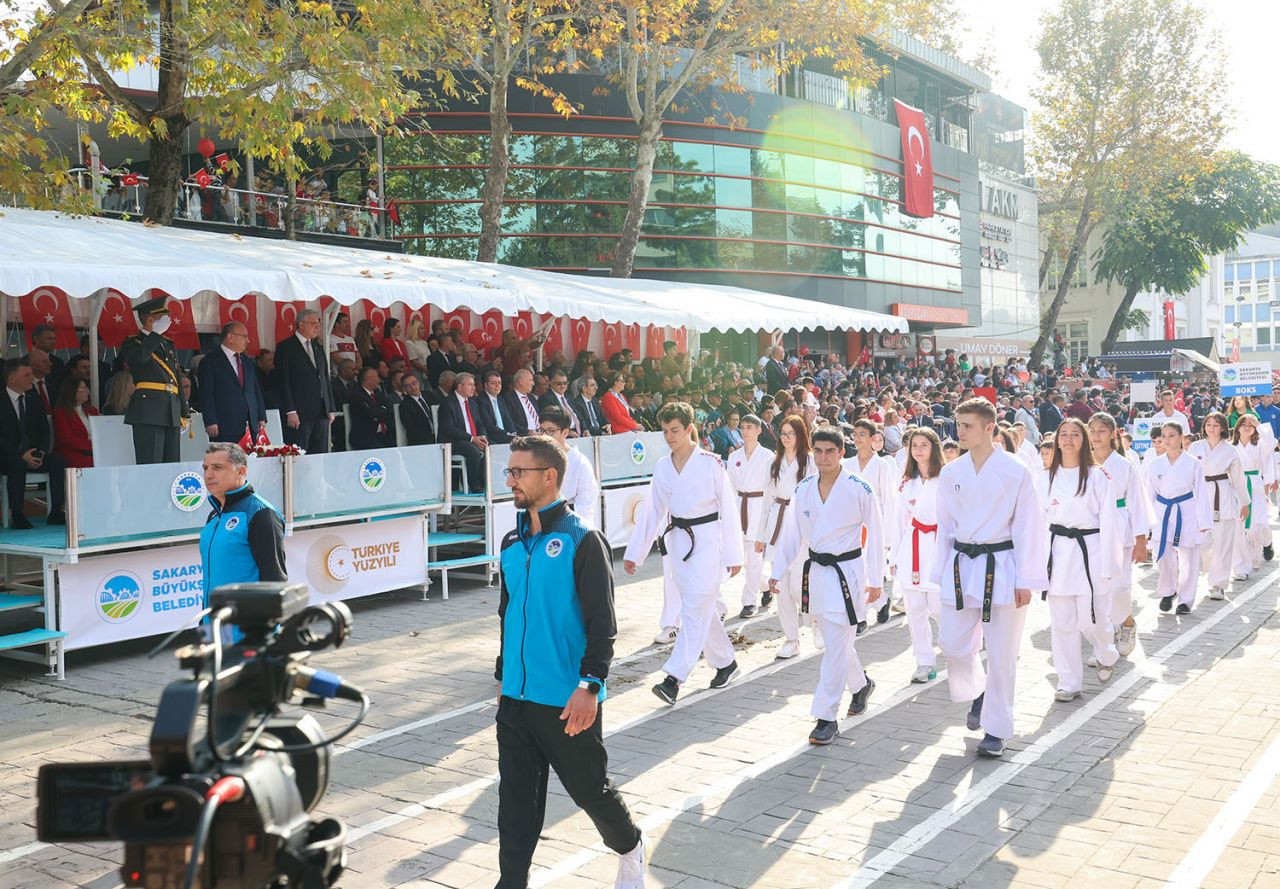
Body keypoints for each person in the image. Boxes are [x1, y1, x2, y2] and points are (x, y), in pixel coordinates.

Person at [495, 435, 646, 889]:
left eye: (519, 472)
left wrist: (591, 687)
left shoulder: (582, 539)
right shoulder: (510, 541)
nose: (511, 480)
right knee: (515, 805)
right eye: (509, 471)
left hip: (565, 700)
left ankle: (631, 848)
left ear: (550, 477)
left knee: (589, 792)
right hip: (515, 701)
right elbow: (507, 613)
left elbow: (603, 624)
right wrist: (505, 673)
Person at [934, 397, 1048, 758]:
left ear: (989, 428)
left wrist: (1027, 579)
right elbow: (945, 528)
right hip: (961, 564)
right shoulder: (952, 472)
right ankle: (978, 692)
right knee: (952, 643)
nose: (959, 432)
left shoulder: (1016, 470)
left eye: (967, 426)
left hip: (1003, 564)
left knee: (1002, 653)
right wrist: (939, 571)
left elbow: (1030, 527)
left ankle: (996, 729)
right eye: (958, 424)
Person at [768, 426, 882, 745]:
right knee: (835, 642)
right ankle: (859, 685)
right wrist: (777, 571)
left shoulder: (860, 488)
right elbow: (791, 536)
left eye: (830, 451)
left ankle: (826, 716)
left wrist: (876, 579)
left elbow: (876, 535)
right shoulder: (803, 489)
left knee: (834, 646)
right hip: (817, 572)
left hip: (848, 573)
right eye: (817, 451)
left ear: (841, 452)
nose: (823, 457)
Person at [624, 402, 743, 705]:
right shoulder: (663, 466)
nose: (669, 436)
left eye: (674, 430)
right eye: (664, 431)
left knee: (692, 610)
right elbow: (652, 511)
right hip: (678, 544)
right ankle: (726, 663)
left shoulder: (711, 463)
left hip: (707, 543)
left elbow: (729, 510)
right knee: (701, 609)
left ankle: (673, 678)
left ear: (691, 428)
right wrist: (635, 552)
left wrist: (733, 554)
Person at [1039, 418, 1123, 702]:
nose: (1068, 439)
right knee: (1062, 623)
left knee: (1092, 619)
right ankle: (1068, 682)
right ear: (1056, 440)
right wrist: (1036, 565)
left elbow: (1111, 521)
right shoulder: (1044, 478)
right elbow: (1037, 523)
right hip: (1058, 554)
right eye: (1063, 434)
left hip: (1091, 552)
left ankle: (1106, 651)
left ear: (1084, 440)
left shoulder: (1098, 476)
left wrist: (1110, 564)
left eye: (1075, 434)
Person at [1086, 413, 1151, 659]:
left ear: (1113, 434)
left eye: (1101, 431)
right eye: (1092, 430)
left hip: (1120, 530)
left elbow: (1137, 502)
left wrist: (1141, 540)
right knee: (1096, 590)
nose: (1096, 436)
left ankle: (1126, 623)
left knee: (1119, 587)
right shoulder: (1085, 463)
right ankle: (1104, 644)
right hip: (1091, 531)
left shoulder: (1125, 465)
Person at [198, 443, 286, 599]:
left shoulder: (261, 513)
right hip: (215, 622)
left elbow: (275, 582)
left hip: (249, 622)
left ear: (241, 471)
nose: (208, 475)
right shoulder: (214, 515)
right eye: (206, 468)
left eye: (217, 468)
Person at [892, 427, 943, 684]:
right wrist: (894, 556)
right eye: (915, 446)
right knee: (915, 611)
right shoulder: (905, 483)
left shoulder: (945, 479)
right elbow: (898, 521)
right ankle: (924, 661)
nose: (919, 449)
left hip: (937, 548)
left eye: (924, 445)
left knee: (939, 608)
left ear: (934, 448)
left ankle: (958, 648)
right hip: (911, 549)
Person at [1145, 422, 1211, 615]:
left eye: (1171, 435)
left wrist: (1203, 521)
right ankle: (1168, 591)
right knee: (1163, 555)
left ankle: (1186, 600)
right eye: (1163, 436)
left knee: (1188, 558)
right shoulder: (1155, 464)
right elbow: (1149, 493)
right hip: (1162, 511)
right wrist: (1146, 522)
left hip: (1187, 510)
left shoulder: (1193, 462)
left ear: (1181, 437)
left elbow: (1201, 492)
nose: (1166, 439)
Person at [844, 419, 898, 628]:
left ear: (873, 438)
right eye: (855, 434)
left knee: (870, 569)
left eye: (862, 434)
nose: (857, 438)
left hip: (876, 524)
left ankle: (867, 610)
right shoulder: (847, 465)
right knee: (856, 569)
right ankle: (872, 608)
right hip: (852, 525)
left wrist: (887, 533)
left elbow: (889, 499)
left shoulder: (882, 465)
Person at [1188, 412, 1249, 600]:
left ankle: (1218, 584)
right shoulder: (1195, 447)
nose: (1211, 428)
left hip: (1223, 495)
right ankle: (1209, 570)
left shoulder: (1230, 450)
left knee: (1223, 544)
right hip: (1200, 495)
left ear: (1222, 427)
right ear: (1204, 426)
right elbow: (1187, 473)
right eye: (1208, 424)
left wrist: (1245, 502)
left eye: (1216, 425)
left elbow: (1238, 479)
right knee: (1203, 544)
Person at [121, 296, 189, 464]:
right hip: (148, 410)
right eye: (161, 318)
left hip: (171, 409)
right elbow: (140, 358)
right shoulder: (133, 343)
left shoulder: (166, 344)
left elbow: (176, 379)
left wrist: (184, 411)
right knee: (150, 462)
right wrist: (155, 334)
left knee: (171, 463)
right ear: (150, 319)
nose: (166, 321)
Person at [0, 358, 67, 528]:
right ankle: (17, 514)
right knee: (18, 464)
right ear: (12, 378)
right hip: (6, 456)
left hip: (33, 452)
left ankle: (56, 511)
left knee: (58, 461)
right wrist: (21, 454)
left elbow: (45, 430)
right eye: (27, 375)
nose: (32, 378)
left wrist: (42, 452)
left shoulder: (33, 399)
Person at [726, 414, 772, 618]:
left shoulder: (768, 456)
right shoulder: (734, 457)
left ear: (758, 430)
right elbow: (730, 487)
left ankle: (748, 602)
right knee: (743, 559)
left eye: (749, 427)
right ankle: (766, 584)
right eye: (742, 427)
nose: (745, 431)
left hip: (759, 507)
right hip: (739, 506)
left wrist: (768, 518)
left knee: (753, 558)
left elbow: (772, 488)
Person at [275, 308, 336, 454]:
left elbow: (325, 378)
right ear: (301, 324)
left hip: (321, 410)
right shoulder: (286, 347)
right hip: (299, 411)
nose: (317, 327)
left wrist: (331, 407)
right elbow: (283, 381)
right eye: (313, 323)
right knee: (300, 452)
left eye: (319, 324)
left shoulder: (318, 347)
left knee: (320, 452)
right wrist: (290, 410)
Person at [198, 321, 269, 444]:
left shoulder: (247, 362)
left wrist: (261, 416)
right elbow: (206, 394)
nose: (248, 341)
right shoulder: (210, 361)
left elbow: (256, 390)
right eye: (244, 336)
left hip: (250, 424)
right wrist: (210, 421)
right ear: (231, 337)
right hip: (224, 424)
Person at [537, 407, 599, 527]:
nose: (545, 436)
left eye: (550, 431)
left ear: (565, 432)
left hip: (571, 529)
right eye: (542, 430)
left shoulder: (580, 463)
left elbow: (585, 505)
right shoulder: (537, 460)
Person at [1231, 414, 1274, 579]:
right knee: (1241, 528)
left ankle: (1267, 543)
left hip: (1255, 487)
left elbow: (1271, 442)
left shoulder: (1260, 445)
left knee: (1259, 526)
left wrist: (1258, 423)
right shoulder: (1231, 446)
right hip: (1237, 486)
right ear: (1237, 427)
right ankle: (1243, 566)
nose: (1247, 427)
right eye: (1243, 424)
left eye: (1251, 424)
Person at [438, 371, 488, 491]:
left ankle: (488, 485)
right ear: (460, 387)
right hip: (452, 442)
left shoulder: (472, 402)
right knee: (473, 450)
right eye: (470, 385)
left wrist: (483, 436)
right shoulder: (447, 403)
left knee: (490, 446)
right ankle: (475, 487)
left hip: (471, 439)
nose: (474, 388)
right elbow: (449, 429)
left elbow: (480, 424)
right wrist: (471, 439)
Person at [52, 377, 98, 468]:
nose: (87, 392)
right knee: (92, 462)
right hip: (72, 452)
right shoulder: (61, 412)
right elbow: (66, 438)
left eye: (86, 388)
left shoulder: (92, 410)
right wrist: (92, 446)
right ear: (72, 391)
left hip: (93, 451)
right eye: (82, 388)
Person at [348, 366, 393, 450]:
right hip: (365, 436)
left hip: (382, 434)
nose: (378, 380)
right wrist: (382, 409)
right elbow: (369, 413)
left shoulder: (377, 393)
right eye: (376, 377)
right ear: (367, 379)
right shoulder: (356, 395)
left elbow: (390, 408)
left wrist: (379, 411)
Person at [475, 370, 516, 444]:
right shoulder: (480, 401)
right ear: (486, 385)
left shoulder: (501, 399)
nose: (497, 386)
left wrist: (513, 432)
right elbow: (488, 425)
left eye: (499, 383)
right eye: (493, 383)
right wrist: (507, 434)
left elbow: (508, 420)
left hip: (505, 435)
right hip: (491, 436)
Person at [539, 369, 582, 435]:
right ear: (551, 383)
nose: (563, 386)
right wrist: (567, 432)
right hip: (562, 434)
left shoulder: (569, 397)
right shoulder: (546, 398)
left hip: (578, 432)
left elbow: (578, 415)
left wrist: (585, 429)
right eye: (559, 384)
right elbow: (552, 421)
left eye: (565, 383)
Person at [398, 373, 436, 445]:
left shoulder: (430, 395)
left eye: (414, 383)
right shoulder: (404, 406)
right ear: (404, 389)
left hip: (439, 435)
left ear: (418, 382)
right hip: (422, 441)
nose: (412, 387)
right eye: (408, 386)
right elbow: (412, 429)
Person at [505, 368, 542, 436]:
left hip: (540, 435)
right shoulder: (509, 399)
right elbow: (510, 422)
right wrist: (527, 432)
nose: (533, 384)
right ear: (521, 381)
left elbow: (539, 417)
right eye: (531, 380)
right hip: (524, 438)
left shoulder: (531, 398)